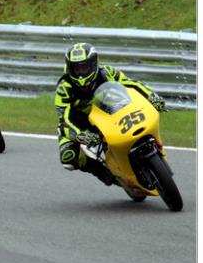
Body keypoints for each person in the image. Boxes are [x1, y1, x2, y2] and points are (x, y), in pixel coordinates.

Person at [55, 42, 167, 185]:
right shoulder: (64, 87)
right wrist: (80, 135)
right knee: (68, 158)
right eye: (77, 68)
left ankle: (154, 147)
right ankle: (100, 170)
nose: (81, 72)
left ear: (94, 64)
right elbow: (64, 119)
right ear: (70, 68)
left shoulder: (107, 72)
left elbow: (132, 84)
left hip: (111, 112)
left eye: (84, 67)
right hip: (81, 124)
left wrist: (152, 97)